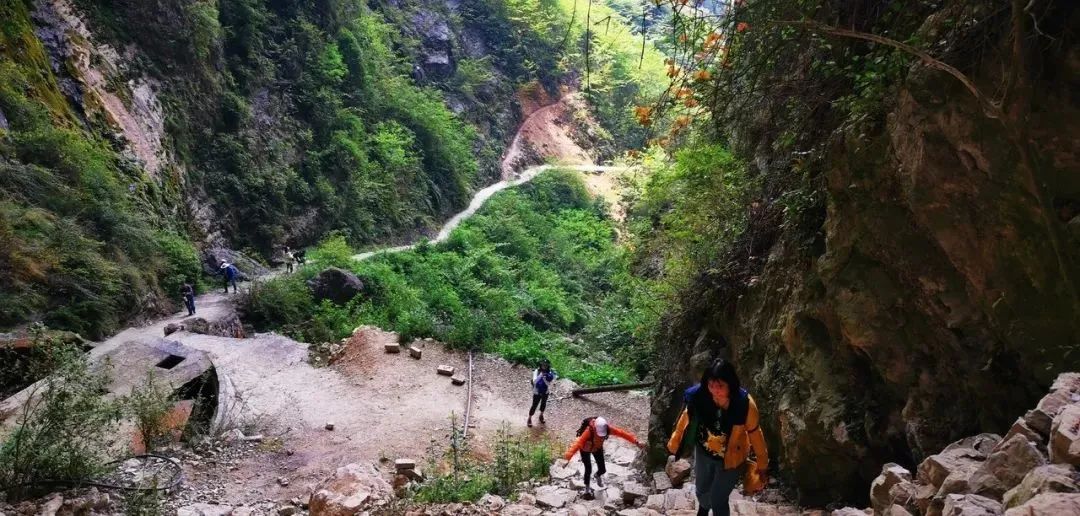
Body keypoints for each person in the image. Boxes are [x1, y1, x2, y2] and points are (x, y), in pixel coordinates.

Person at [666, 358, 769, 516]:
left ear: (730, 385)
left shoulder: (744, 404)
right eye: (711, 385)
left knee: (718, 499)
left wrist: (762, 465)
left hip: (731, 458)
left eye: (720, 386)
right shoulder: (700, 396)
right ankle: (703, 508)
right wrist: (676, 440)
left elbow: (756, 434)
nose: (715, 390)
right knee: (701, 490)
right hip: (703, 452)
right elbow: (686, 418)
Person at [563, 416, 644, 497]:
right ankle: (587, 490)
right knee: (588, 469)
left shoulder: (608, 429)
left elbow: (622, 434)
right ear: (595, 428)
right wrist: (568, 457)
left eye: (603, 435)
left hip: (597, 448)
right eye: (600, 435)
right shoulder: (588, 431)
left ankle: (597, 475)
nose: (601, 436)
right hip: (585, 449)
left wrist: (636, 442)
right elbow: (578, 443)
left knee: (602, 469)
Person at [527, 359, 557, 428]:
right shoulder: (536, 371)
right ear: (541, 365)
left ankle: (541, 415)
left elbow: (548, 384)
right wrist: (541, 376)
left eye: (546, 365)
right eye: (543, 365)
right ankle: (529, 418)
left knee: (543, 404)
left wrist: (544, 378)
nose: (544, 366)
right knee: (534, 405)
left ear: (548, 366)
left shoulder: (549, 373)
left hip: (545, 391)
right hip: (537, 391)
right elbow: (534, 382)